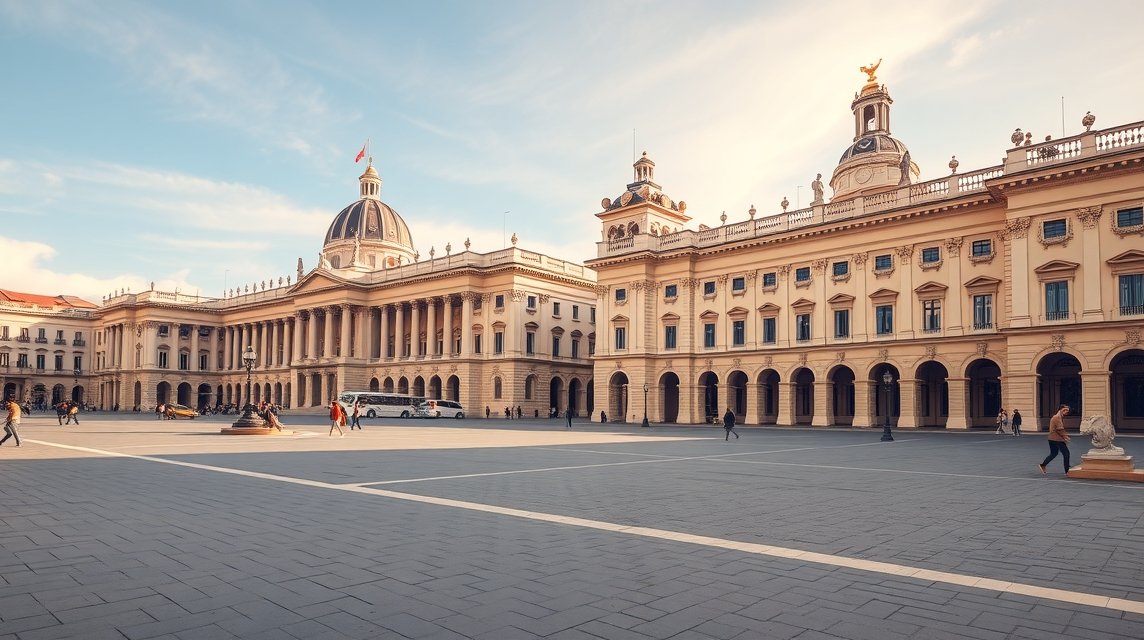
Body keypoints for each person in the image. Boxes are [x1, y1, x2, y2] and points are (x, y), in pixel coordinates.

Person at [1039, 404, 1071, 474]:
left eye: (1067, 411)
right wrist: (1065, 437)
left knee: (1053, 453)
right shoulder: (1057, 417)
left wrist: (1065, 436)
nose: (1066, 412)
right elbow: (1060, 429)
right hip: (1057, 439)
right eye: (1064, 410)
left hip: (1051, 438)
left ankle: (1043, 465)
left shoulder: (1058, 417)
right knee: (1066, 454)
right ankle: (1067, 470)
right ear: (1060, 409)